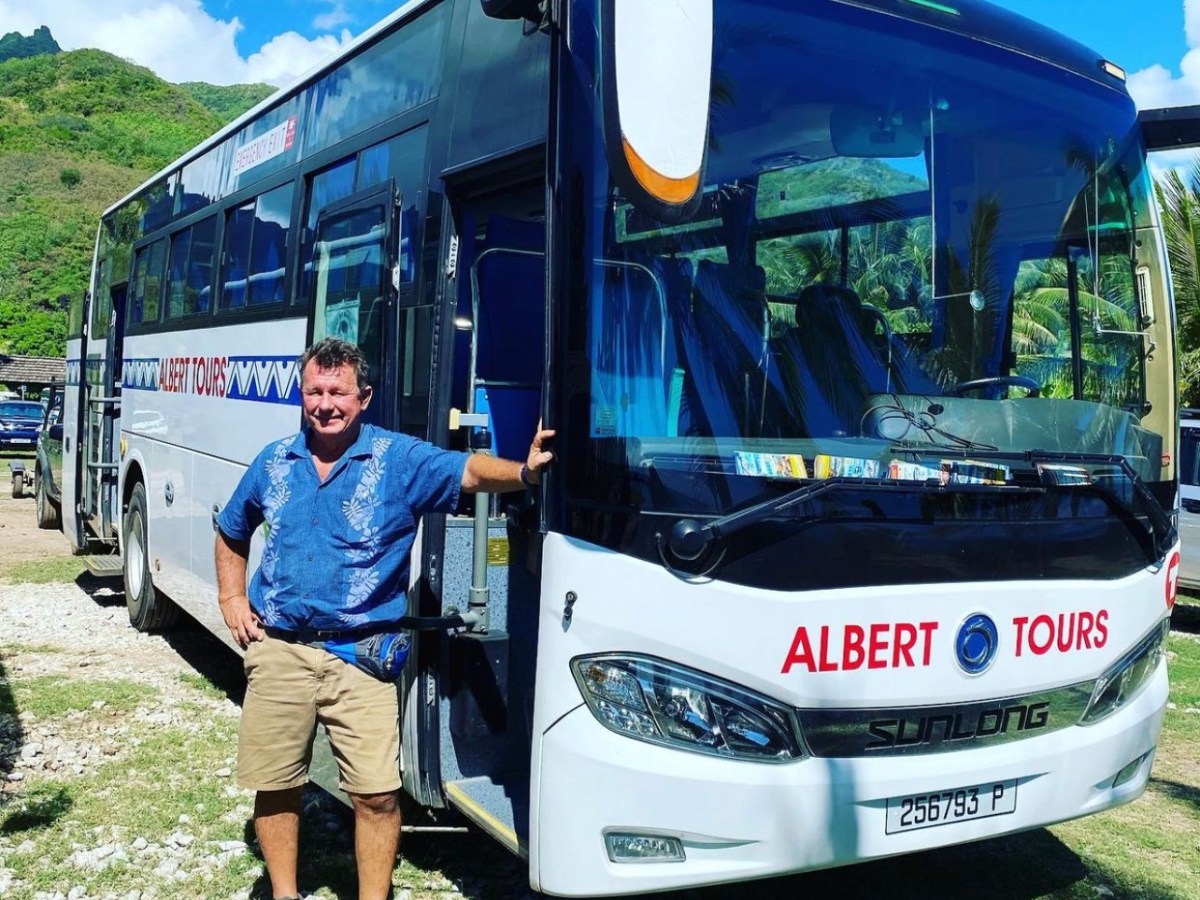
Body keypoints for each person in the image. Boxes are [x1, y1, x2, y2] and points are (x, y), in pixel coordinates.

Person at [214, 337, 553, 900]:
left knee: (376, 794)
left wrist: (524, 471)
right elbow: (231, 528)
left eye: (338, 392)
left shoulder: (399, 460)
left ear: (364, 396)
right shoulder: (273, 461)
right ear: (302, 394)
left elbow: (467, 471)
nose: (325, 404)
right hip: (280, 648)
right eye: (314, 392)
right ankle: (283, 893)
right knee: (275, 787)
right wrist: (231, 599)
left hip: (362, 658)